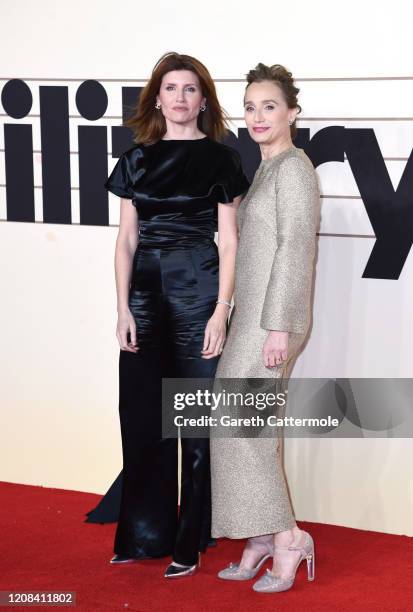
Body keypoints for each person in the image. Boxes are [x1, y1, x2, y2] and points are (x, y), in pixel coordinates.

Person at [90, 51, 249, 578]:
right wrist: (122, 308)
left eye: (190, 89)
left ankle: (190, 540)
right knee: (141, 417)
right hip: (145, 299)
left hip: (200, 292)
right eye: (171, 88)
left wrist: (221, 310)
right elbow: (125, 242)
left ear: (204, 100)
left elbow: (229, 242)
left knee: (193, 423)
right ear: (156, 97)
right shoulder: (136, 159)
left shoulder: (222, 159)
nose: (180, 98)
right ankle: (143, 535)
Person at [209, 63, 320, 593]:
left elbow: (295, 249)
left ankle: (287, 538)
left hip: (271, 322)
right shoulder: (266, 170)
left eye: (269, 106)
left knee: (244, 427)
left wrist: (279, 326)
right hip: (252, 318)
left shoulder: (295, 169)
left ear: (292, 113)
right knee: (242, 427)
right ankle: (258, 535)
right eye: (250, 106)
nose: (257, 116)